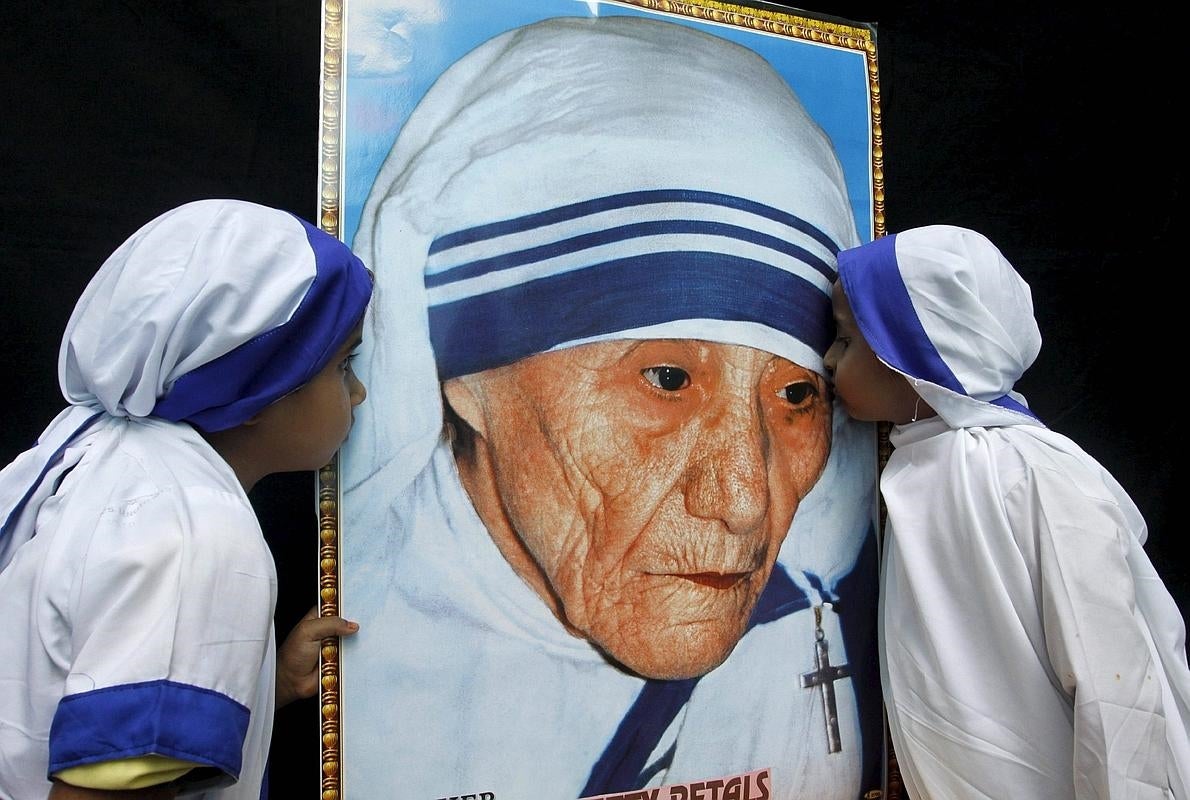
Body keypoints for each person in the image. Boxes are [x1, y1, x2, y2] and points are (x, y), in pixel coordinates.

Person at [340, 15, 882, 800]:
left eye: (797, 395)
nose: (742, 502)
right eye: (665, 380)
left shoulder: (832, 623)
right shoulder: (355, 666)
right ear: (465, 378)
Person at [0, 198, 373, 800]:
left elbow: (77, 685)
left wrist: (258, 684)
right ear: (259, 390)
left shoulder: (105, 464)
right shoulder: (196, 539)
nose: (357, 393)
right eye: (342, 365)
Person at [824, 224, 1190, 798]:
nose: (827, 359)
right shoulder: (923, 465)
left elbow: (1114, 682)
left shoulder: (1029, 473)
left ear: (909, 349)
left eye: (845, 339)